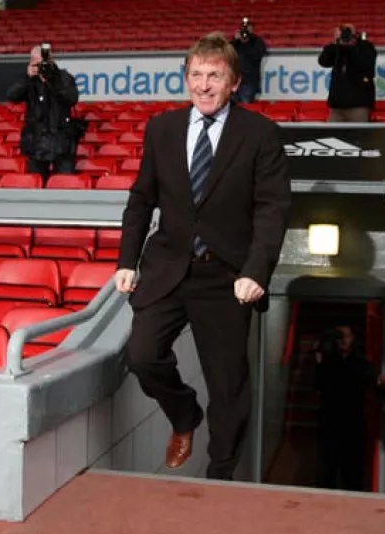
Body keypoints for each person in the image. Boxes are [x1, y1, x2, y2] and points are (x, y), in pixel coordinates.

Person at [114, 32, 292, 481]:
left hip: (227, 278)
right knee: (141, 354)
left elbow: (272, 210)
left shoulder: (261, 133)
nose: (204, 84)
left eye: (215, 75)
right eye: (196, 75)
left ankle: (220, 473)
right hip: (168, 269)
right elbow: (141, 201)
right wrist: (126, 260)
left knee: (228, 385)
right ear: (186, 79)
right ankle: (184, 414)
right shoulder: (162, 129)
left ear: (234, 82)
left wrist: (256, 271)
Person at [313, 325, 385, 491]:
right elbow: (317, 385)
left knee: (352, 468)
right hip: (330, 421)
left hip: (353, 422)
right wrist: (318, 361)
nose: (343, 341)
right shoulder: (327, 361)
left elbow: (375, 384)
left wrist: (382, 383)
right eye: (339, 337)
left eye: (347, 336)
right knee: (328, 466)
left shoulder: (361, 363)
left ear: (353, 339)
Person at [6, 44, 81, 186]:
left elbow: (72, 98)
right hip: (36, 143)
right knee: (34, 185)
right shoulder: (29, 80)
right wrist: (27, 78)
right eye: (36, 63)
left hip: (61, 142)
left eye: (43, 63)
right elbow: (12, 96)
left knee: (64, 185)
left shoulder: (63, 78)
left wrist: (51, 80)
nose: (41, 67)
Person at [317, 24, 378, 122]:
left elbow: (364, 63)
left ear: (355, 33)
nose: (346, 35)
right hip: (337, 105)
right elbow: (323, 61)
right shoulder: (337, 47)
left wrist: (350, 45)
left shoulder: (365, 46)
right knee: (332, 135)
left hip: (358, 104)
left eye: (348, 32)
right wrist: (334, 43)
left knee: (358, 135)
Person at [230, 18, 268, 103]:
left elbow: (258, 54)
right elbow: (226, 52)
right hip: (235, 80)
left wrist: (247, 41)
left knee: (246, 107)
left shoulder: (257, 41)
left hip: (249, 81)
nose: (245, 31)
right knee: (233, 108)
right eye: (244, 28)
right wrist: (234, 40)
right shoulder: (236, 43)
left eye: (248, 27)